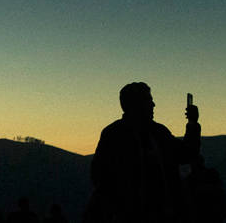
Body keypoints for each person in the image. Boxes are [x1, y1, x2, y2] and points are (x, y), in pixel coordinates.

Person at [85, 82, 201, 223]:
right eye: (148, 100)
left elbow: (186, 154)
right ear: (134, 104)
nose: (153, 105)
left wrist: (193, 124)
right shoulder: (115, 134)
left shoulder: (158, 132)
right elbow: (100, 175)